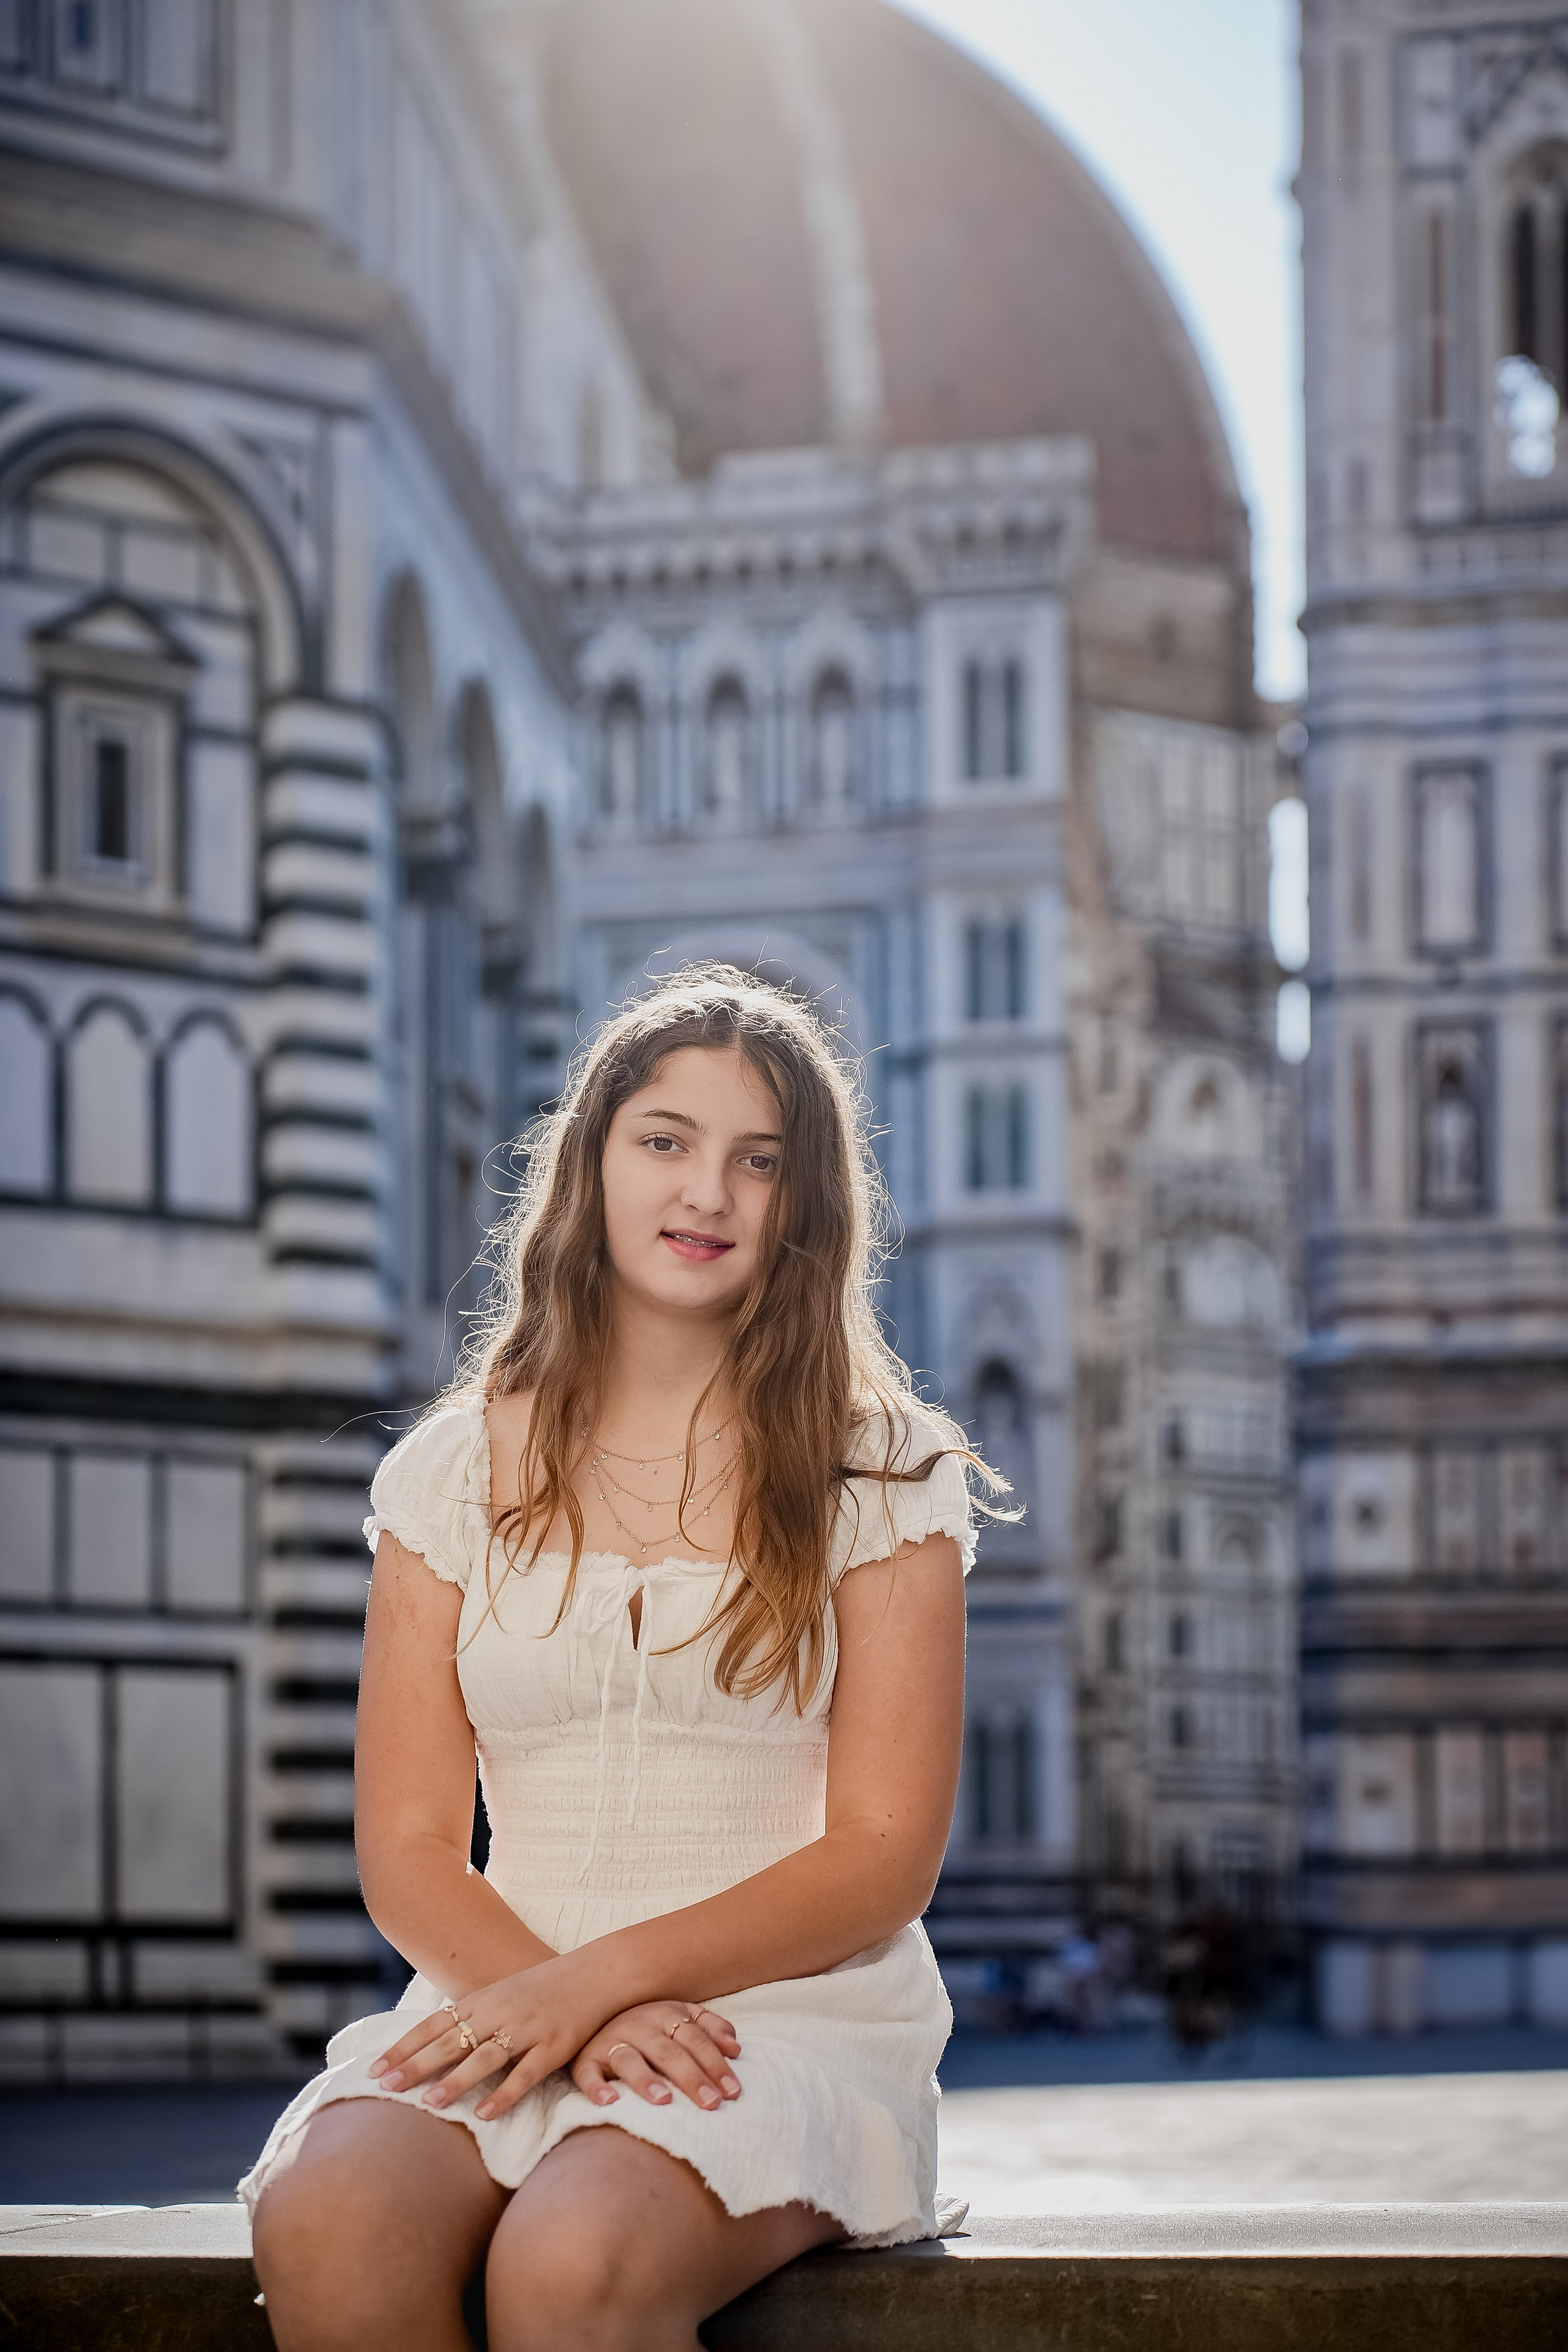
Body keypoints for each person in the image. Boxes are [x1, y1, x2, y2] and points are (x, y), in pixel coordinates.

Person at [241, 967, 992, 2352]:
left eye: (757, 1161)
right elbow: (408, 1845)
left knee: (570, 2262)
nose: (706, 1192)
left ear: (805, 1209)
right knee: (327, 2214)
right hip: (502, 1996)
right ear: (589, 1163)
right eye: (665, 1141)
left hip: (786, 2023)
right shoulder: (449, 1473)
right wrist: (559, 2008)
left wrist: (603, 1989)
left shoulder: (881, 1475)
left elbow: (885, 1851)